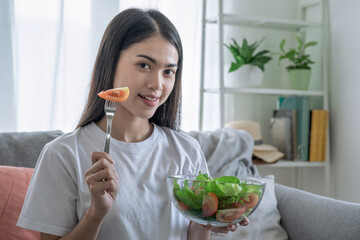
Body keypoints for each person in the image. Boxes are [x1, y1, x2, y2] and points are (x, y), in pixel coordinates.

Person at [17, 8, 248, 240]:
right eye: (144, 65)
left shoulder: (187, 150)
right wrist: (95, 214)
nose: (157, 85)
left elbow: (194, 235)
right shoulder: (63, 154)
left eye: (168, 71)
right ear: (111, 62)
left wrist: (205, 223)